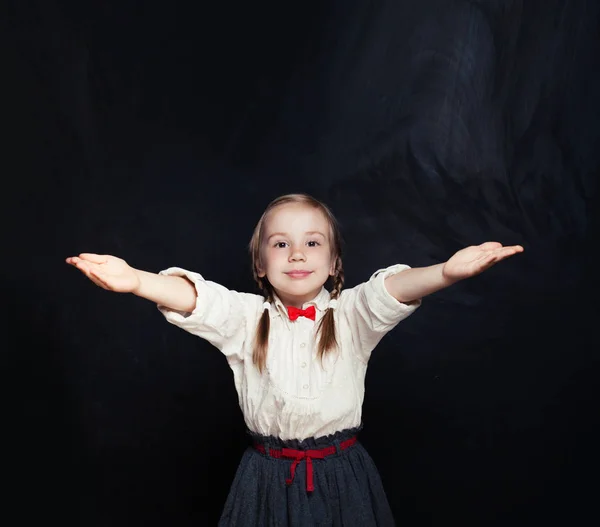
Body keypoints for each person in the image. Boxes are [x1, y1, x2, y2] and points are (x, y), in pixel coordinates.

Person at [66, 193, 523, 526]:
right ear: (261, 263)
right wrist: (138, 280)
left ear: (335, 262)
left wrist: (443, 272)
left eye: (313, 243)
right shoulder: (246, 318)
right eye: (280, 244)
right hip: (264, 482)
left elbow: (393, 291)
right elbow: (196, 299)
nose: (298, 253)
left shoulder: (350, 316)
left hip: (342, 479)